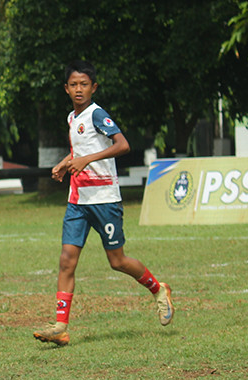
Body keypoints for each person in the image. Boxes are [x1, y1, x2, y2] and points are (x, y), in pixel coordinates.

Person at [34, 60, 173, 346]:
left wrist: (86, 160)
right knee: (66, 261)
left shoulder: (97, 114)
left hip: (104, 199)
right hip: (78, 200)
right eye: (73, 85)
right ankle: (60, 326)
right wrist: (64, 164)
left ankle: (158, 289)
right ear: (66, 88)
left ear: (94, 87)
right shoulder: (72, 118)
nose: (79, 89)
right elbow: (79, 150)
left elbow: (123, 145)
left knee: (117, 261)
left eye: (84, 84)